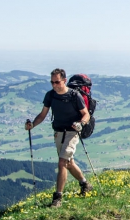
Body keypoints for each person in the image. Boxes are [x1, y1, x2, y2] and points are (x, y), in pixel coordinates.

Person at [25, 68, 91, 207]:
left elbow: (86, 114)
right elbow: (43, 115)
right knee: (69, 163)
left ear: (64, 81)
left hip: (72, 132)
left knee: (62, 162)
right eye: (52, 82)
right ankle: (85, 184)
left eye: (57, 82)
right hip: (59, 132)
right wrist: (33, 125)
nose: (54, 85)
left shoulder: (74, 95)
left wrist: (81, 124)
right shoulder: (50, 95)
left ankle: (57, 198)